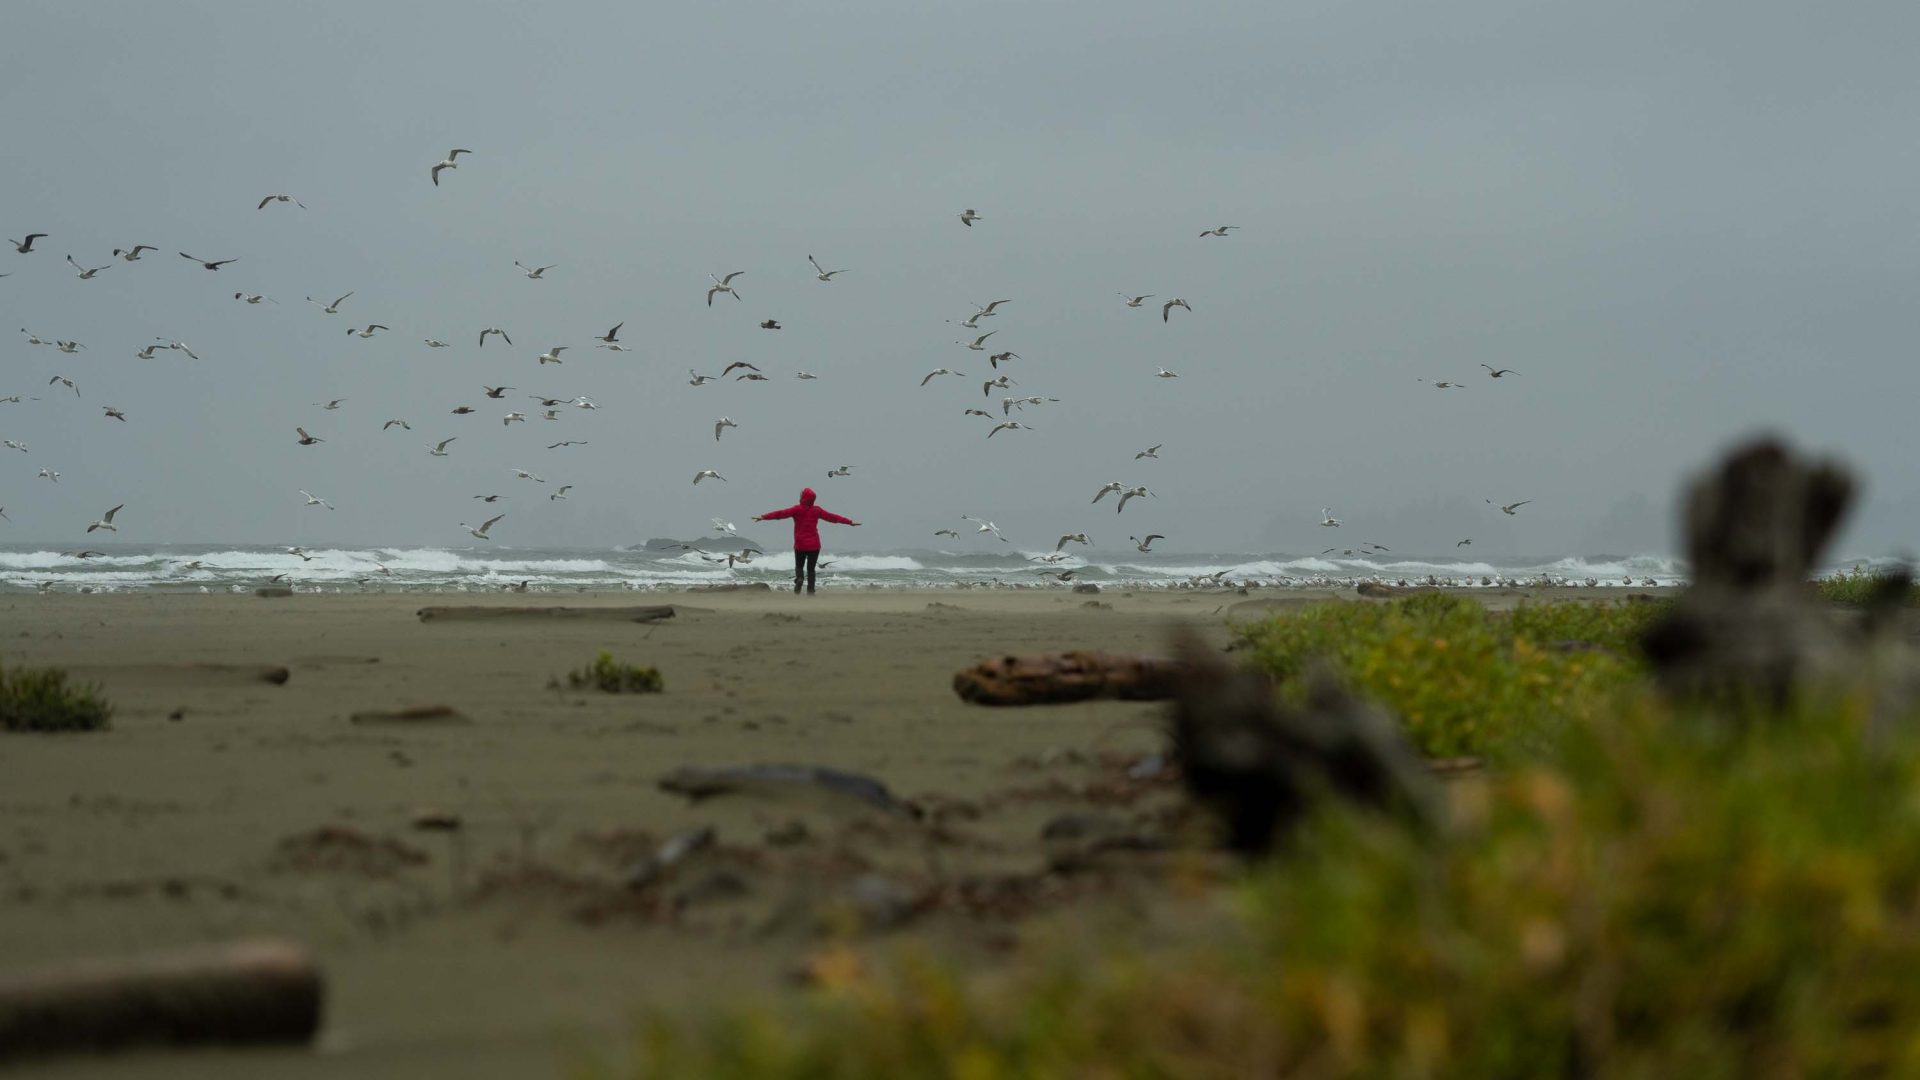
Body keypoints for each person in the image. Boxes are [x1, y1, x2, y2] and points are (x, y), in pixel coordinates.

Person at [752, 487, 860, 594]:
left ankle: (799, 579)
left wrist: (763, 517)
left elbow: (780, 514)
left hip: (800, 544)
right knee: (811, 569)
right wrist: (849, 522)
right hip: (814, 545)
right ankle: (810, 592)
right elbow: (833, 517)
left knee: (799, 566)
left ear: (802, 497)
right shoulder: (817, 510)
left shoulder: (796, 509)